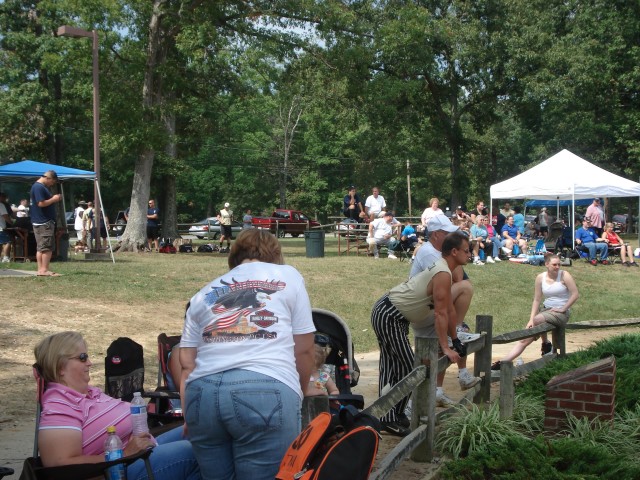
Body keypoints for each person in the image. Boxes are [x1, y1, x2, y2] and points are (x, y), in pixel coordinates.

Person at [180, 228, 315, 480]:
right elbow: (305, 348)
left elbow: (186, 364)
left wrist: (191, 413)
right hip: (266, 388)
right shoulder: (289, 276)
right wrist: (301, 389)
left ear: (234, 256)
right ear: (275, 254)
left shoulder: (201, 295)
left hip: (202, 394)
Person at [34, 331, 201, 479]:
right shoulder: (60, 403)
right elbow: (58, 463)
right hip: (123, 468)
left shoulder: (87, 393)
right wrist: (123, 454)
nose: (90, 363)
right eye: (82, 357)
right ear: (60, 366)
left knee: (206, 429)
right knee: (197, 450)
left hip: (142, 451)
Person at [371, 232, 472, 436]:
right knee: (409, 366)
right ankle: (388, 417)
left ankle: (390, 416)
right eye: (467, 250)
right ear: (454, 251)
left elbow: (450, 311)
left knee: (395, 366)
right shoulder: (443, 273)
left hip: (394, 315)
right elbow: (441, 313)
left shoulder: (447, 272)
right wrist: (445, 347)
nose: (470, 254)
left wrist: (455, 340)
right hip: (389, 314)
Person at [410, 215, 480, 406]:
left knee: (444, 345)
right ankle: (415, 402)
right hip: (424, 308)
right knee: (465, 289)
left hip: (434, 304)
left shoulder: (441, 252)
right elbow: (457, 281)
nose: (451, 238)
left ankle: (438, 391)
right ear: (435, 235)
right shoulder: (429, 253)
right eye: (448, 234)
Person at [492, 255, 579, 368]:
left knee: (537, 320)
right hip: (546, 310)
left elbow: (575, 294)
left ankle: (542, 345)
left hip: (561, 313)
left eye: (559, 264)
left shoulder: (564, 275)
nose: (557, 267)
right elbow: (537, 299)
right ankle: (506, 361)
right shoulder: (540, 277)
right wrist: (530, 320)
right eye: (554, 264)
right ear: (546, 264)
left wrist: (563, 308)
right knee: (531, 327)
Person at [30, 170, 63, 276]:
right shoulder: (39, 187)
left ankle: (41, 269)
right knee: (46, 247)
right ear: (48, 178)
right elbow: (41, 203)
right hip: (44, 222)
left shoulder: (37, 186)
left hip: (39, 222)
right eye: (52, 182)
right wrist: (54, 199)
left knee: (41, 247)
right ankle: (44, 270)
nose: (51, 184)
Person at [0, 194, 13, 263]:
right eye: (3, 197)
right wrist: (12, 223)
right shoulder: (1, 205)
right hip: (1, 228)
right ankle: (5, 258)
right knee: (8, 242)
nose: (4, 199)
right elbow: (5, 216)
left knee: (0, 243)